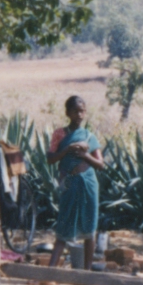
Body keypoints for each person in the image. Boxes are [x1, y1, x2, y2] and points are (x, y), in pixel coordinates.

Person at [47, 95, 105, 270]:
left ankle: (86, 273)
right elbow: (50, 159)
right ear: (68, 113)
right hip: (69, 183)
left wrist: (84, 155)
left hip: (88, 183)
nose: (79, 115)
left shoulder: (89, 136)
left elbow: (100, 164)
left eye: (82, 111)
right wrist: (67, 149)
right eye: (75, 111)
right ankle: (49, 273)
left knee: (89, 228)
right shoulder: (59, 134)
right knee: (64, 225)